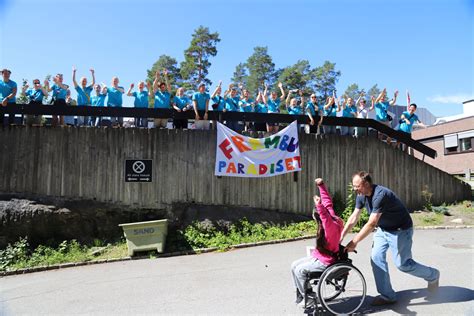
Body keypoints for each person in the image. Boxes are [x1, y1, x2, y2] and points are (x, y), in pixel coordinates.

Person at [342, 171, 440, 306]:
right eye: (353, 186)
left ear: (366, 184)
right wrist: (341, 236)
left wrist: (354, 242)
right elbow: (354, 217)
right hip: (383, 229)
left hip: (400, 230)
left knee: (403, 265)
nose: (354, 189)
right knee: (376, 258)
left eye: (357, 186)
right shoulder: (361, 195)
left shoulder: (380, 195)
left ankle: (433, 275)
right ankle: (387, 296)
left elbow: (371, 223)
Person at [291, 178, 344, 305]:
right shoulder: (332, 217)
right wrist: (321, 185)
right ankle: (302, 292)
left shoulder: (330, 227)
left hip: (326, 261)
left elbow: (324, 217)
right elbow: (328, 203)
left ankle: (308, 297)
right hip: (319, 256)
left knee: (299, 270)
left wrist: (319, 207)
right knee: (294, 265)